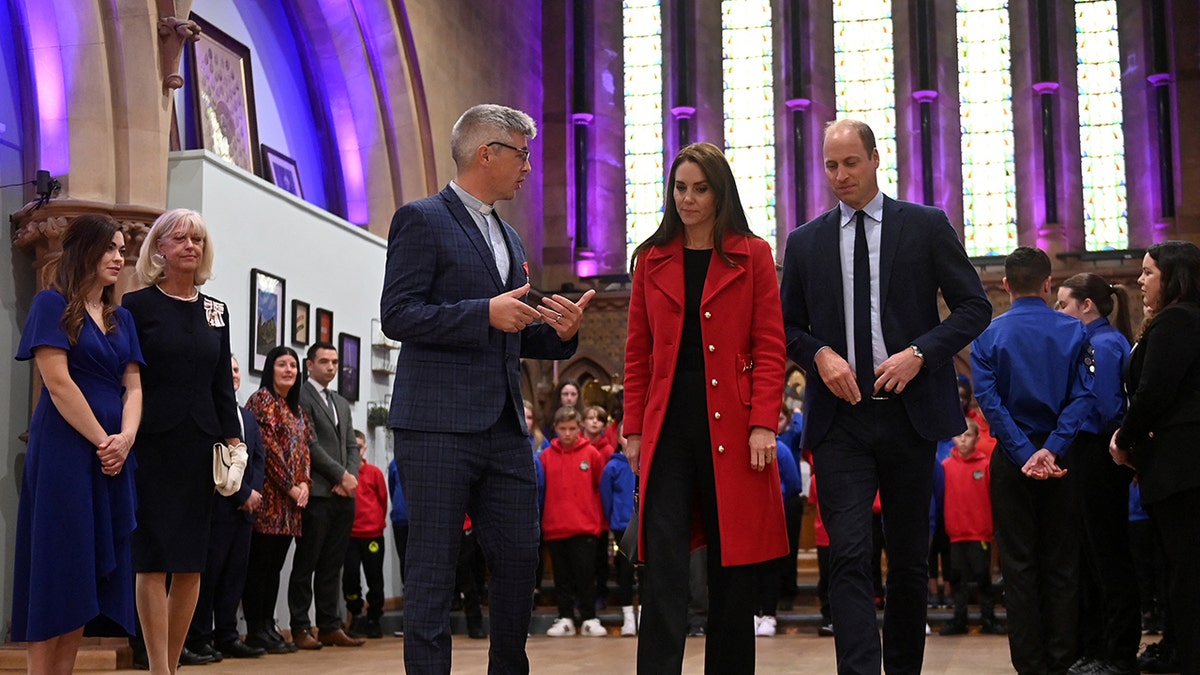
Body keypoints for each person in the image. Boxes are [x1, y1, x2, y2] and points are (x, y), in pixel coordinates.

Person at [379, 103, 595, 673]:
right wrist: (482, 313)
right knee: (433, 567)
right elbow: (397, 315)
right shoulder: (421, 218)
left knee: (521, 556)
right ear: (487, 154)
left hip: (503, 428)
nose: (528, 167)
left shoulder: (509, 235)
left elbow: (510, 328)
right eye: (522, 155)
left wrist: (562, 335)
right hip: (436, 425)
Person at [779, 119, 991, 674]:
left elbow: (974, 306)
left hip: (909, 415)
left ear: (875, 159)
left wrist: (920, 352)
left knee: (908, 562)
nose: (841, 175)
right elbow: (785, 326)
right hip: (840, 421)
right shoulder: (805, 242)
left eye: (851, 162)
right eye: (831, 165)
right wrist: (819, 355)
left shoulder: (923, 226)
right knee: (848, 555)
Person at [624, 141, 789, 673]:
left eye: (700, 189)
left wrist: (765, 421)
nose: (688, 199)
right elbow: (637, 353)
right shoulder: (650, 258)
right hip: (667, 426)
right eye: (680, 188)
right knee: (664, 566)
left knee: (732, 565)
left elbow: (770, 345)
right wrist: (632, 431)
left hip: (736, 428)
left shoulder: (754, 252)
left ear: (720, 194)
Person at [11, 215, 142, 675]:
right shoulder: (51, 304)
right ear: (84, 250)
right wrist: (105, 440)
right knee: (58, 566)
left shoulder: (120, 316)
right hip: (67, 451)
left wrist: (124, 440)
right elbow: (59, 383)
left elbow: (135, 388)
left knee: (82, 575)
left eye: (123, 249)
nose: (119, 257)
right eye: (110, 248)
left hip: (112, 456)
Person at [122, 208, 242, 674]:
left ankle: (171, 664)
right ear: (159, 249)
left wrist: (234, 441)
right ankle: (157, 667)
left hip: (201, 446)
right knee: (152, 560)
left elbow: (221, 385)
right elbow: (128, 378)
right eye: (179, 238)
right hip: (152, 444)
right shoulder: (136, 306)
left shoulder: (217, 311)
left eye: (197, 238)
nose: (190, 245)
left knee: (192, 562)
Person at [971, 246, 1095, 674]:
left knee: (1019, 568)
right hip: (1060, 458)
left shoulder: (988, 335)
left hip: (1012, 459)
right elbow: (1084, 396)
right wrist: (1052, 448)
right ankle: (1062, 662)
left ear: (1004, 285)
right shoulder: (1076, 331)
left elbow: (990, 402)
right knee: (1062, 564)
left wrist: (1025, 453)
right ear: (1047, 284)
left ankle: (1029, 665)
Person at [1110, 240, 1200, 675]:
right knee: (1179, 567)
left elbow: (1153, 393)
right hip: (1177, 464)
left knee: (1186, 570)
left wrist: (1123, 439)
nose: (1140, 280)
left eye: (1148, 272)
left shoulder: (1178, 321)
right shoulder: (1181, 320)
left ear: (1174, 277)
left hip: (1182, 464)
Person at [1054, 273, 1139, 674]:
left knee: (1106, 555)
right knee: (1093, 553)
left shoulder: (1100, 345)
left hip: (1097, 453)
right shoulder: (1101, 341)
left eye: (1063, 304)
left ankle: (1115, 654)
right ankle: (1097, 649)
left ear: (1086, 306)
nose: (1058, 311)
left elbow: (1103, 407)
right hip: (1092, 454)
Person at [185, 356, 267, 661]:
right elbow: (215, 458)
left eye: (236, 370)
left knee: (235, 577)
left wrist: (255, 491)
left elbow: (257, 457)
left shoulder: (247, 417)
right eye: (228, 369)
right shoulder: (210, 413)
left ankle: (228, 635)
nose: (233, 375)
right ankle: (199, 636)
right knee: (210, 577)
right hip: (220, 506)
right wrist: (241, 493)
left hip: (245, 512)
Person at [290, 341, 363, 649]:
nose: (331, 367)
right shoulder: (302, 396)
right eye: (324, 361)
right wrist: (340, 475)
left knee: (333, 563)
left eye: (335, 361)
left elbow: (351, 445)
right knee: (307, 562)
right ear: (310, 365)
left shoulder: (341, 402)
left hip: (342, 495)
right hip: (318, 492)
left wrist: (351, 477)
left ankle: (330, 624)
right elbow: (310, 444)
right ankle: (300, 626)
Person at [241, 346, 311, 655]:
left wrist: (305, 483)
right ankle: (256, 628)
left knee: (274, 569)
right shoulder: (262, 401)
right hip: (268, 500)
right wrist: (291, 486)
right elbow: (267, 449)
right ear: (270, 369)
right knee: (260, 567)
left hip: (291, 506)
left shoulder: (295, 408)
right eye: (282, 364)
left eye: (293, 365)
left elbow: (304, 451)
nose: (288, 370)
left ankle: (268, 625)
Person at [538, 406, 606, 637]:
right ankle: (565, 617)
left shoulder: (592, 455)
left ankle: (589, 617)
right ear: (555, 429)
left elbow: (599, 487)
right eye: (563, 429)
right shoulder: (545, 457)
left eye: (572, 428)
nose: (567, 433)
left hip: (584, 526)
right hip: (555, 526)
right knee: (562, 577)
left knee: (586, 576)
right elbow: (542, 490)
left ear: (580, 428)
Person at [938, 419, 1003, 636]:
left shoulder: (984, 465)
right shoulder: (945, 466)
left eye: (968, 436)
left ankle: (988, 619)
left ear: (977, 438)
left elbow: (993, 497)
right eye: (959, 435)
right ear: (953, 438)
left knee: (983, 578)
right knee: (958, 579)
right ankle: (959, 619)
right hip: (956, 533)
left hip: (980, 534)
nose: (963, 440)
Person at [755, 404, 805, 638]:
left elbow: (793, 483)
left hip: (778, 510)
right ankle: (755, 611)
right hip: (754, 514)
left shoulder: (782, 448)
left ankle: (770, 611)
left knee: (775, 563)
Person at [344, 430, 388, 639]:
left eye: (360, 447)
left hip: (372, 534)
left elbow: (382, 499)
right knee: (350, 576)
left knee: (375, 577)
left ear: (365, 449)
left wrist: (377, 523)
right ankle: (355, 613)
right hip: (350, 534)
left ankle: (374, 618)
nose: (357, 450)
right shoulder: (344, 474)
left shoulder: (375, 473)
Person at [601, 421, 639, 637]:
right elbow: (606, 499)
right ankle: (628, 617)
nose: (628, 440)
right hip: (622, 526)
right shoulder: (613, 466)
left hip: (646, 523)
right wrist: (613, 520)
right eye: (625, 436)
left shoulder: (648, 461)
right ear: (617, 438)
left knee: (646, 573)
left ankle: (643, 614)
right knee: (625, 572)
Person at [386, 457, 409, 638]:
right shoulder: (394, 464)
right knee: (406, 569)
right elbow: (391, 488)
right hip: (401, 520)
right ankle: (407, 621)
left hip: (421, 521)